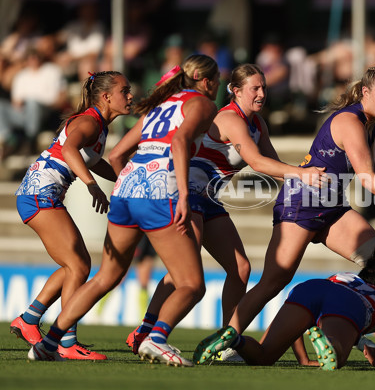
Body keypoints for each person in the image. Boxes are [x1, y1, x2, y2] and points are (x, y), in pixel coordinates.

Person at [194, 66, 375, 364]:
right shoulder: (349, 121)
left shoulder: (369, 125)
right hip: (302, 204)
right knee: (273, 281)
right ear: (365, 93)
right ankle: (226, 340)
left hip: (332, 208)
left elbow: (368, 175)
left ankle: (352, 325)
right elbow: (366, 177)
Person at [125, 63, 327, 361]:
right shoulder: (230, 119)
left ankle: (224, 341)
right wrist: (303, 174)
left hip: (210, 200)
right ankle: (149, 331)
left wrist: (308, 177)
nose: (262, 93)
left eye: (264, 87)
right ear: (235, 91)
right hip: (188, 194)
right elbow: (258, 164)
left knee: (240, 268)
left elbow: (275, 166)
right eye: (255, 88)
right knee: (184, 273)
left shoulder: (257, 124)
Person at [27, 54, 220, 367]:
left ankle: (49, 343)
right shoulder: (201, 104)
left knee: (105, 276)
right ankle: (155, 339)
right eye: (218, 82)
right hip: (160, 193)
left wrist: (132, 186)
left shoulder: (161, 106)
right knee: (191, 284)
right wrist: (183, 193)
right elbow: (181, 141)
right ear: (207, 81)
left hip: (126, 190)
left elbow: (117, 156)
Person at [10, 70, 132, 360]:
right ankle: (66, 343)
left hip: (39, 194)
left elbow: (94, 161)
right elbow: (69, 149)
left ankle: (29, 319)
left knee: (74, 266)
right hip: (40, 195)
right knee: (78, 267)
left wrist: (126, 179)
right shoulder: (90, 121)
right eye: (124, 91)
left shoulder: (97, 124)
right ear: (105, 97)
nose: (130, 96)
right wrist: (92, 186)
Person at [203, 228, 375, 370]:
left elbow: (293, 329)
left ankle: (234, 338)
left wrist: (303, 359)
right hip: (347, 305)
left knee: (263, 356)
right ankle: (329, 344)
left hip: (313, 287)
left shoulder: (346, 277)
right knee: (337, 359)